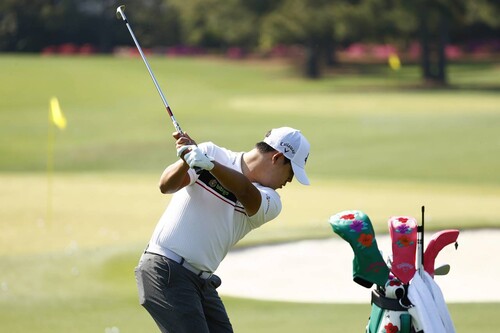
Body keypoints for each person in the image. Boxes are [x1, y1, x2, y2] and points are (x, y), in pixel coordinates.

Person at [134, 126, 311, 333]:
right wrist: (186, 159)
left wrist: (209, 165)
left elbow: (244, 190)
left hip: (201, 281)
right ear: (277, 158)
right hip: (165, 269)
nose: (288, 181)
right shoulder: (211, 152)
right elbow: (166, 186)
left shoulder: (271, 200)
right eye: (291, 173)